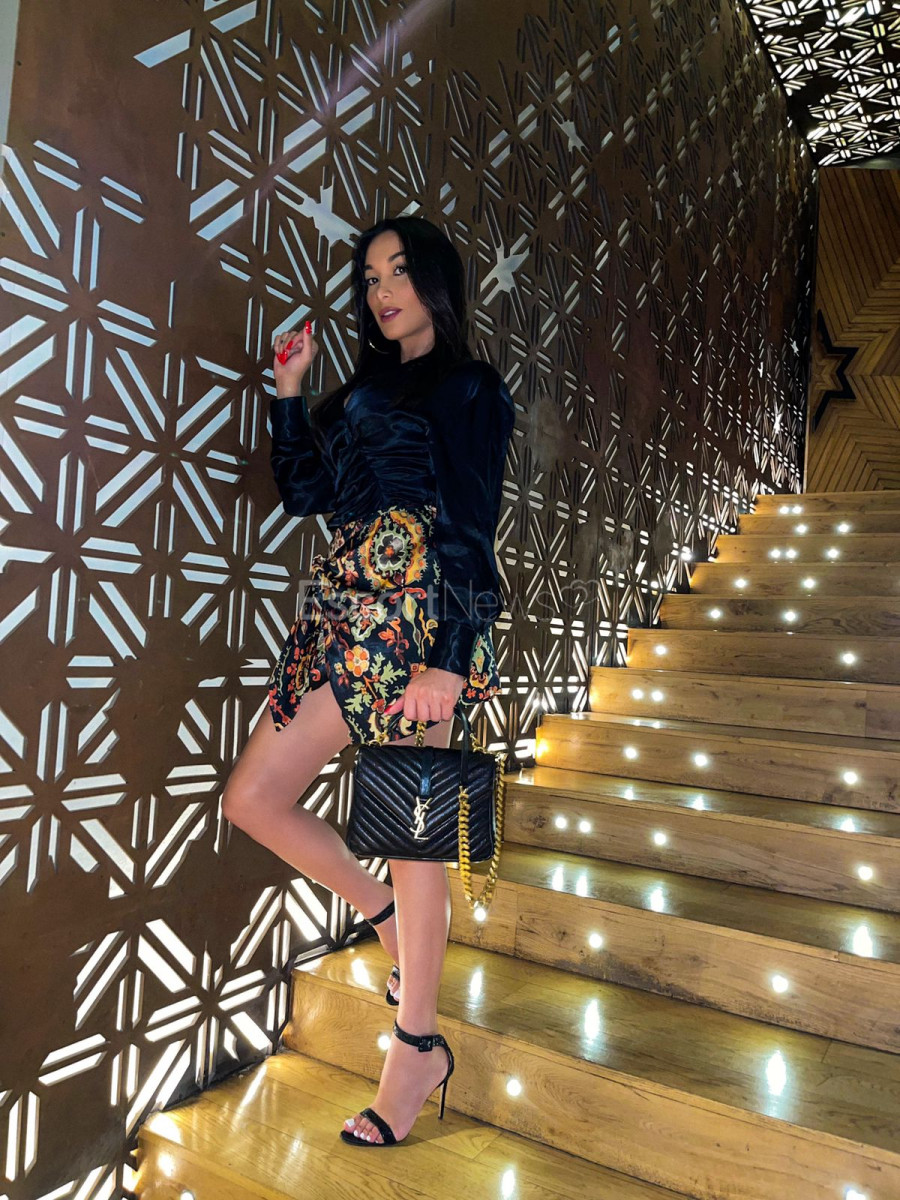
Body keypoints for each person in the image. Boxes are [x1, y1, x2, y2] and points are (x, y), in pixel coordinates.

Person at [221, 215, 515, 1147]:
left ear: (435, 280)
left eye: (398, 271)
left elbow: (471, 524)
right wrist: (290, 392)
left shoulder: (470, 386)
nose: (382, 290)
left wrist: (450, 660)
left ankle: (415, 1047)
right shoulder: (357, 391)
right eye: (370, 277)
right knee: (252, 797)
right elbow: (307, 492)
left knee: (414, 837)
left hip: (418, 620)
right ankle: (381, 915)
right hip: (341, 615)